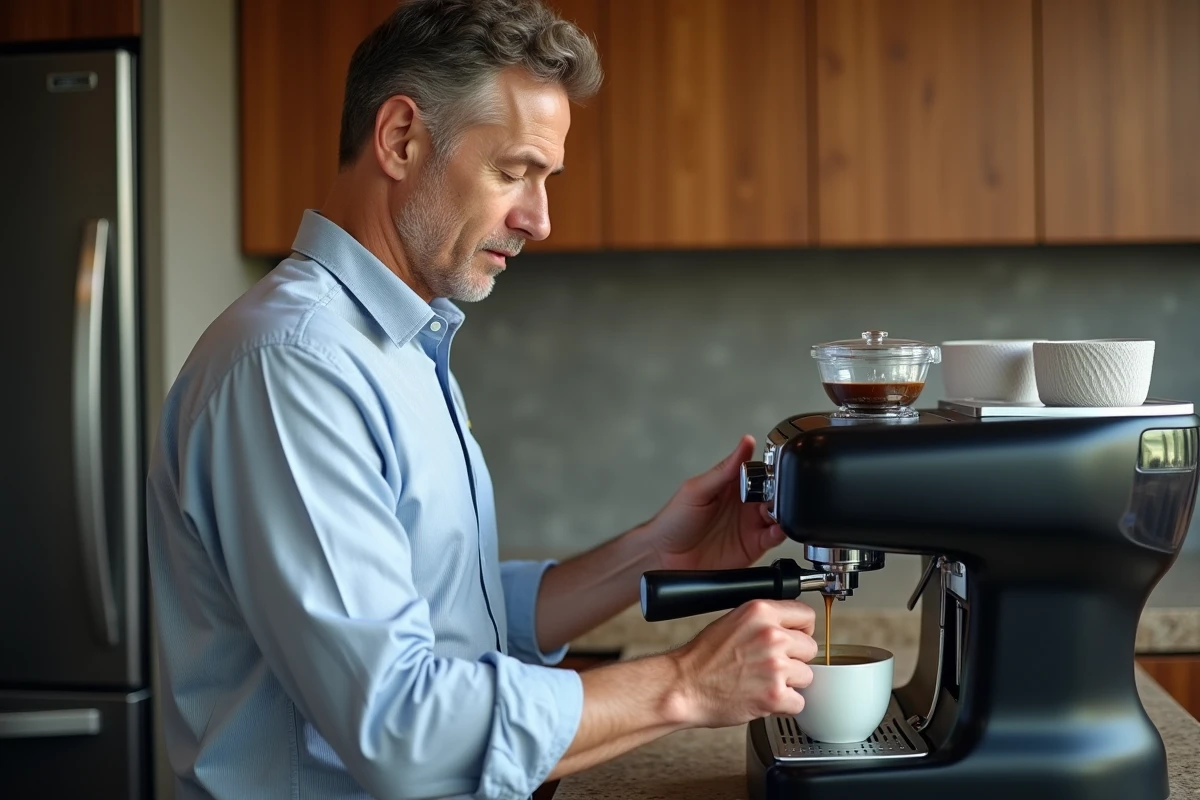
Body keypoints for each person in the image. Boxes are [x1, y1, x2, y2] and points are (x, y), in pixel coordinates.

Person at [146, 1, 818, 798]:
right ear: (401, 139)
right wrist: (686, 684)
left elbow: (445, 614)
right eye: (512, 172)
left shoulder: (397, 345)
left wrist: (653, 555)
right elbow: (402, 727)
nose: (539, 218)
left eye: (544, 179)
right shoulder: (293, 369)